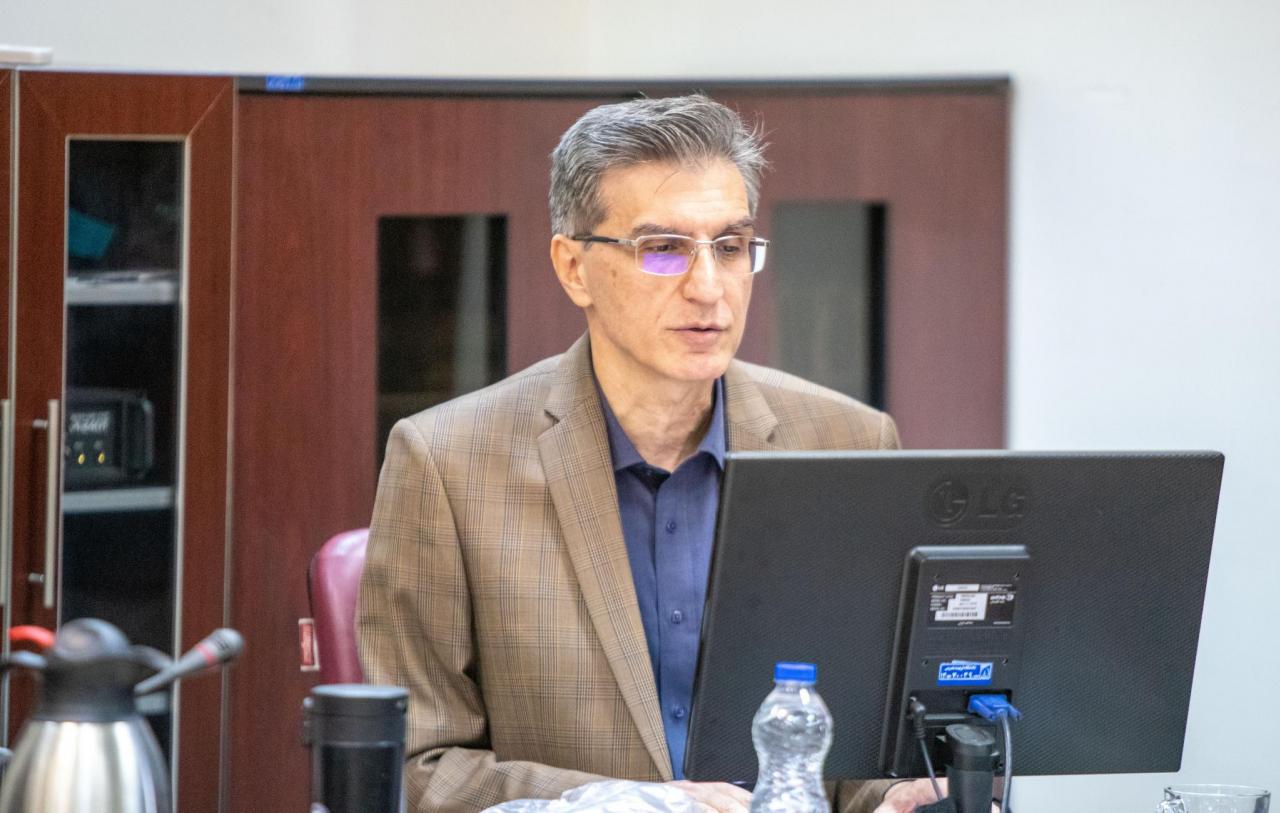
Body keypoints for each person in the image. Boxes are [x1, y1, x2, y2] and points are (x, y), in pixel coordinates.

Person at [358, 94, 941, 813]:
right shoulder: (446, 462)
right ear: (574, 267)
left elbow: (864, 747)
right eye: (663, 249)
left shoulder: (848, 443)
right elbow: (414, 767)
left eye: (730, 247)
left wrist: (896, 794)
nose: (708, 288)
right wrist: (618, 803)